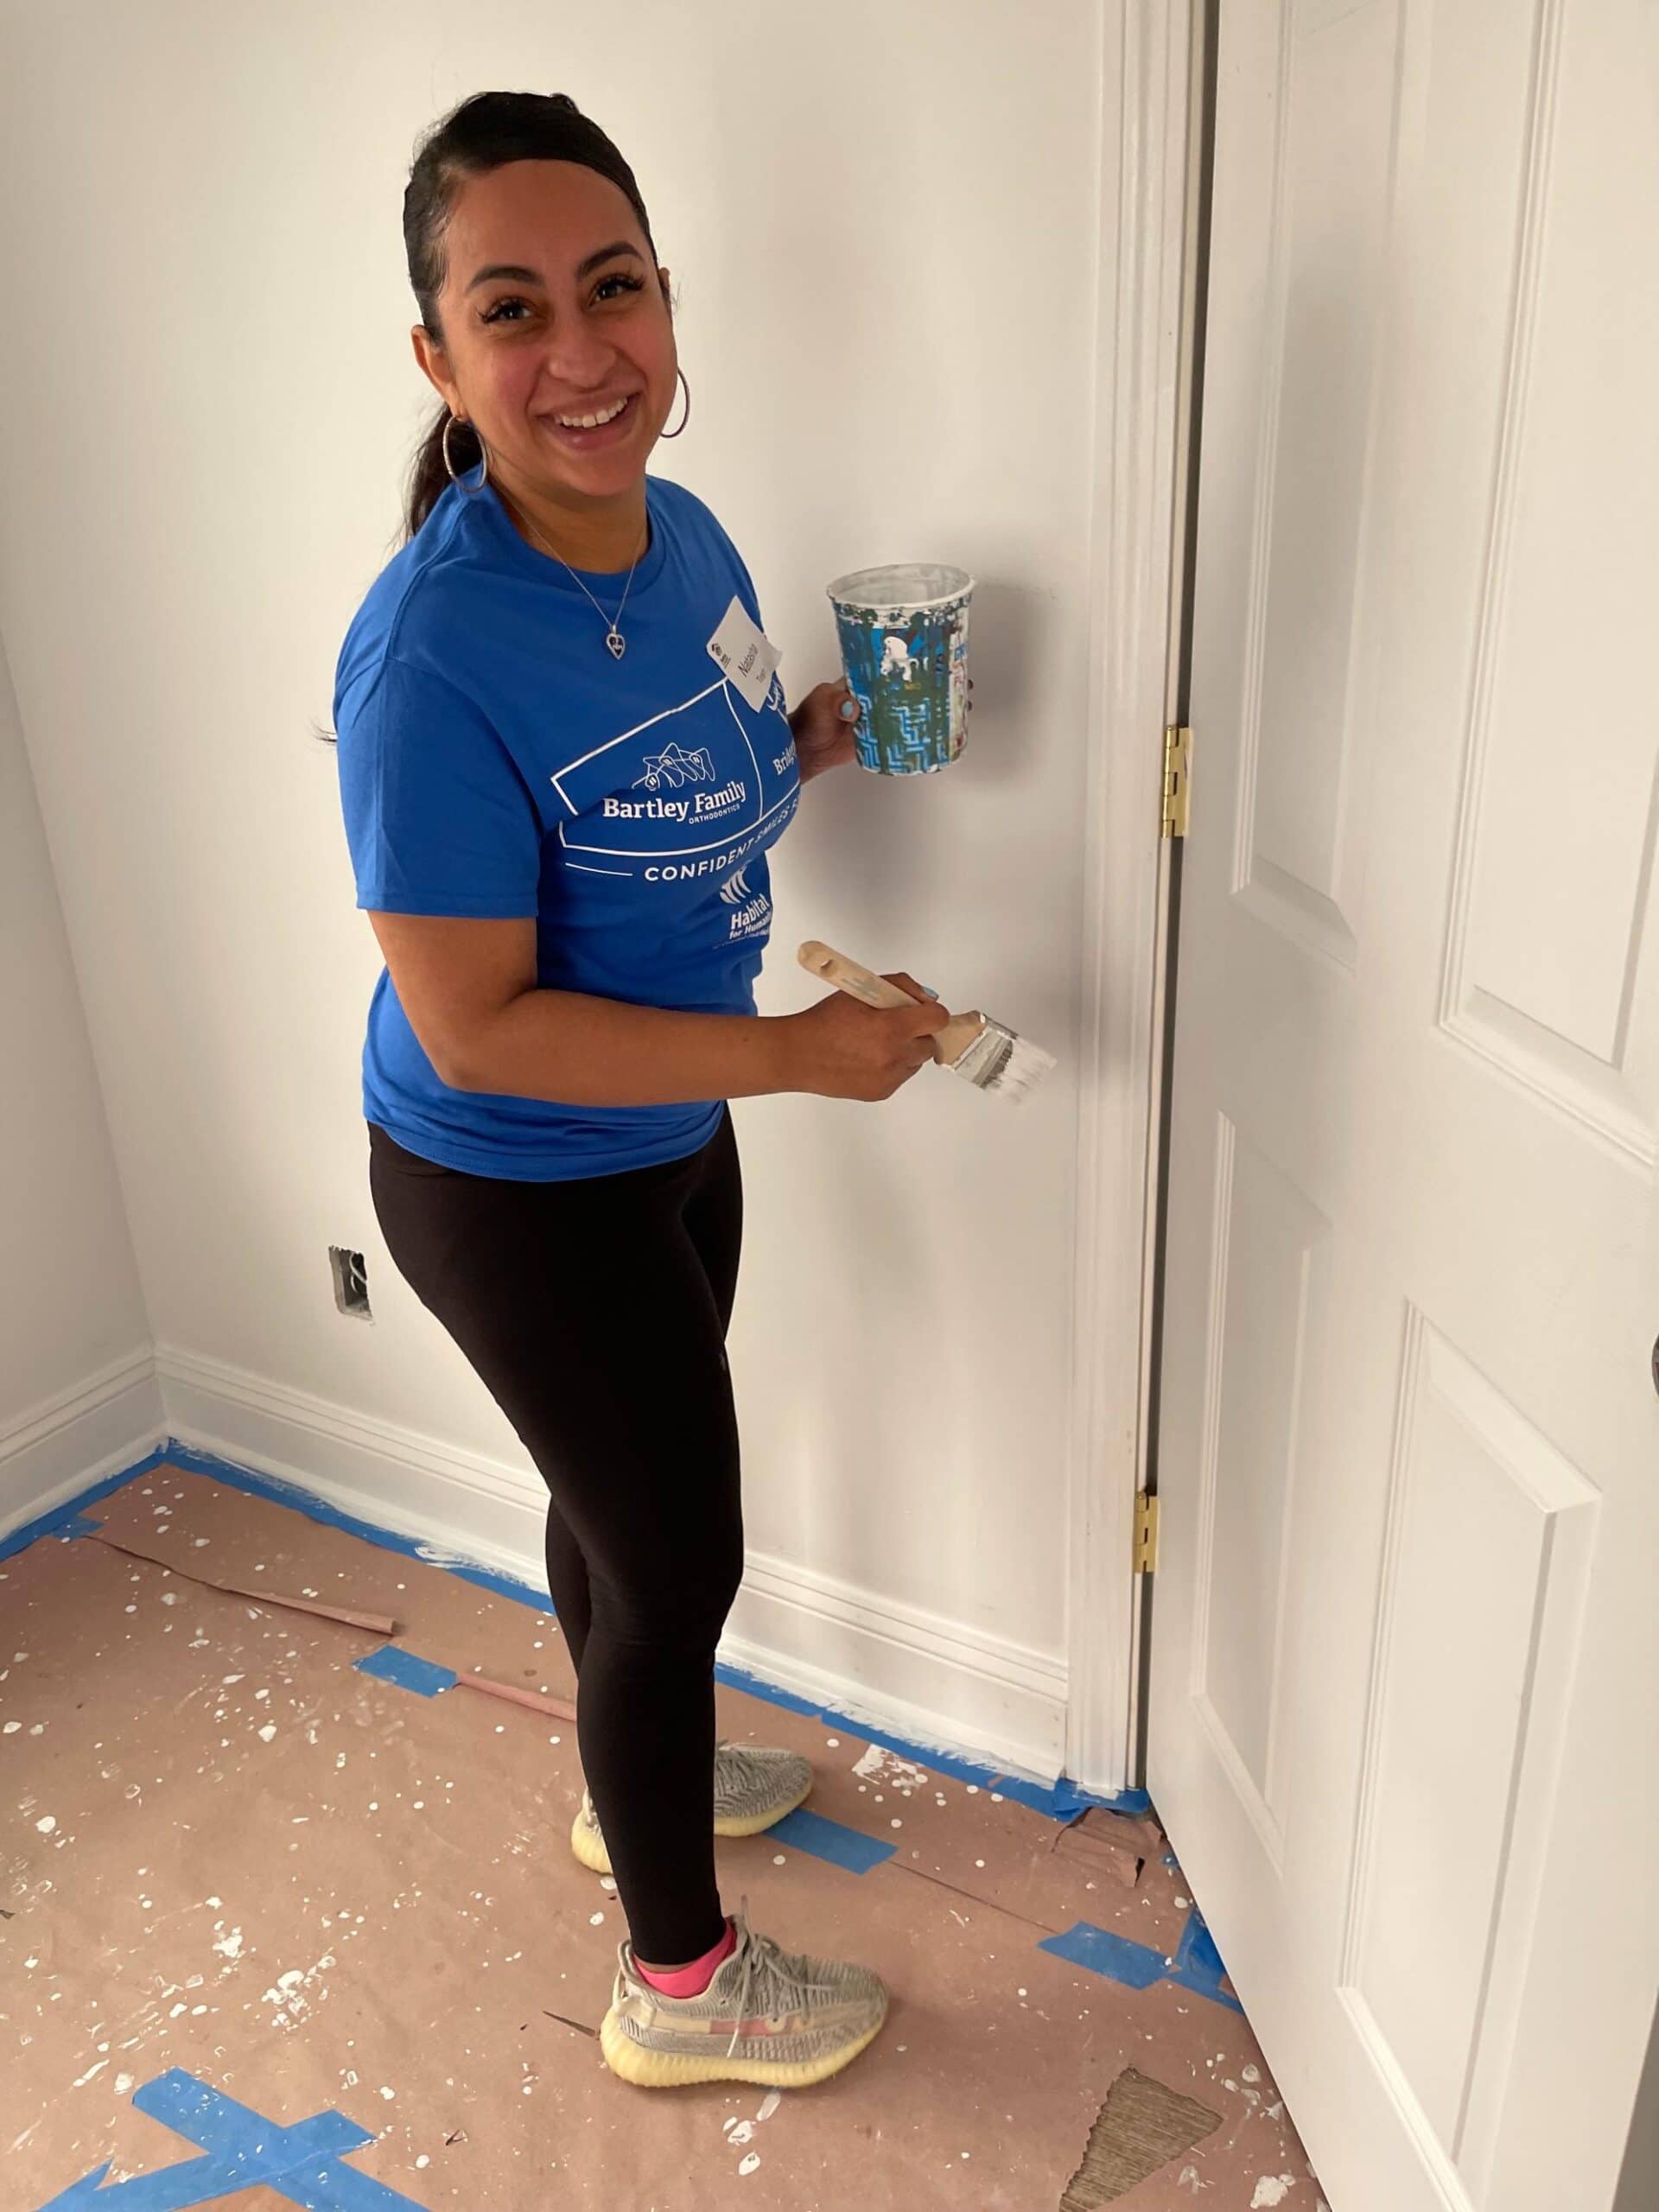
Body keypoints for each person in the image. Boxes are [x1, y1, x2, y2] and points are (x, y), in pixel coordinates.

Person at [330, 90, 964, 2090]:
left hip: (671, 1140)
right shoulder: (429, 659)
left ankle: (641, 1777)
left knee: (623, 1524)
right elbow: (478, 1026)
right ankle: (678, 1983)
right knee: (680, 1555)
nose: (583, 349)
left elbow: (703, 765)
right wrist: (795, 1059)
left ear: (669, 305)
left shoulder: (684, 536)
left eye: (614, 286)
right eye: (512, 308)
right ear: (441, 357)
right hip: (510, 1178)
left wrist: (813, 740)